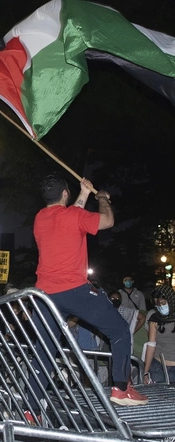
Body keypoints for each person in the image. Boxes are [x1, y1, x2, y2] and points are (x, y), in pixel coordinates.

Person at [31, 173, 147, 407]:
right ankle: (121, 389)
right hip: (75, 291)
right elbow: (107, 221)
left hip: (44, 296)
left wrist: (84, 193)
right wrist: (102, 198)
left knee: (44, 349)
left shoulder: (40, 218)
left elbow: (70, 215)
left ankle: (31, 407)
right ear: (66, 193)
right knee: (120, 330)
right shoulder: (74, 216)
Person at [143, 285, 175, 384]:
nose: (161, 307)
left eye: (163, 303)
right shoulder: (155, 318)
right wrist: (145, 372)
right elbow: (151, 345)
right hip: (158, 366)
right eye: (157, 304)